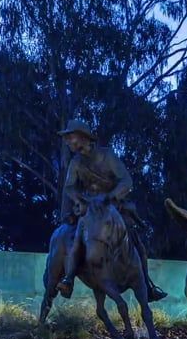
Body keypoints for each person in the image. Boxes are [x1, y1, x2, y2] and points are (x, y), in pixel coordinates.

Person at [56, 119, 166, 301]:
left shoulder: (107, 156)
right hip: (89, 208)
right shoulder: (75, 162)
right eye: (66, 138)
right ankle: (68, 280)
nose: (68, 142)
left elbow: (126, 181)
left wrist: (111, 196)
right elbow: (69, 187)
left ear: (83, 138)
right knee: (76, 238)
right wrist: (79, 200)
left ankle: (146, 284)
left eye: (71, 137)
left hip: (112, 205)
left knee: (135, 240)